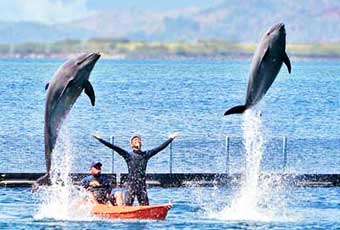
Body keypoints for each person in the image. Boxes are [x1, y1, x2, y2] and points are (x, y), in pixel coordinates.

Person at [93, 132, 179, 206]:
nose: (138, 142)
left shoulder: (146, 155)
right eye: (135, 140)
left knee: (145, 207)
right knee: (128, 207)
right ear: (131, 145)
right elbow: (114, 147)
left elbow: (159, 148)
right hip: (131, 186)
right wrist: (101, 139)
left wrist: (171, 139)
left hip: (141, 186)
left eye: (139, 140)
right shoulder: (128, 155)